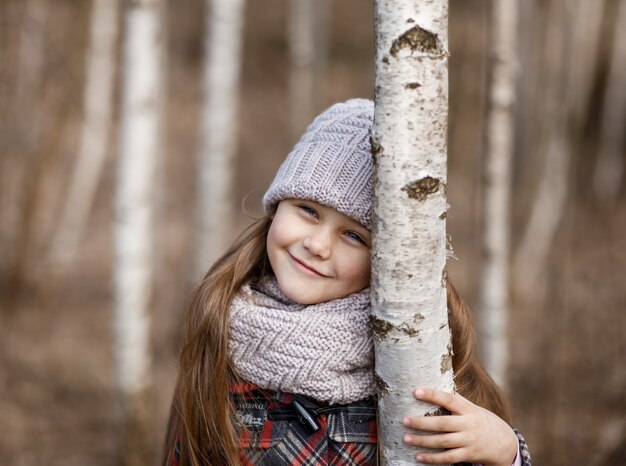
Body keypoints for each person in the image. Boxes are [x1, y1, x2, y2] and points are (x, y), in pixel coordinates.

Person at [162, 99, 532, 466]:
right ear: (277, 207)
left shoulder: (420, 350)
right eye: (308, 211)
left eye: (354, 236)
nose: (317, 245)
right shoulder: (218, 332)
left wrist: (506, 451)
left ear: (387, 260)